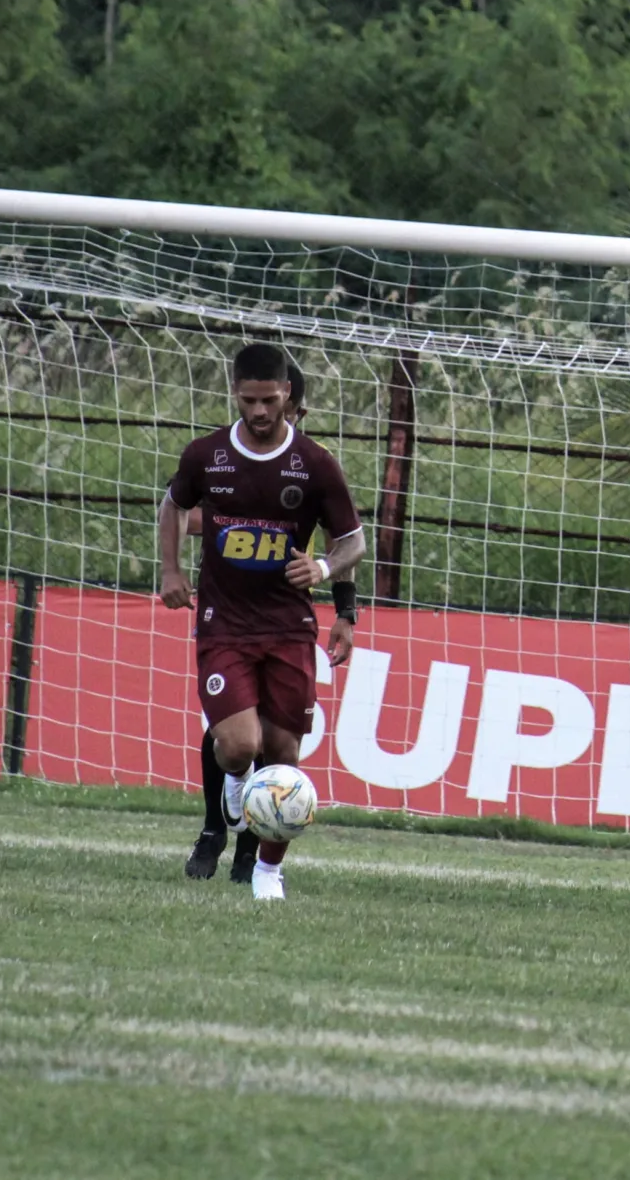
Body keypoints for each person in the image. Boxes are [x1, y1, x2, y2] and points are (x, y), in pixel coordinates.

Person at [158, 343, 364, 901]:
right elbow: (182, 508)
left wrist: (340, 601)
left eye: (272, 401)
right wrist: (171, 565)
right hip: (224, 619)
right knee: (237, 745)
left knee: (284, 755)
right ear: (236, 396)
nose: (262, 412)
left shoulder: (315, 462)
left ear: (289, 398)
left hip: (288, 625)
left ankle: (265, 866)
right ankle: (219, 813)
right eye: (250, 401)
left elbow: (341, 537)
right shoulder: (209, 454)